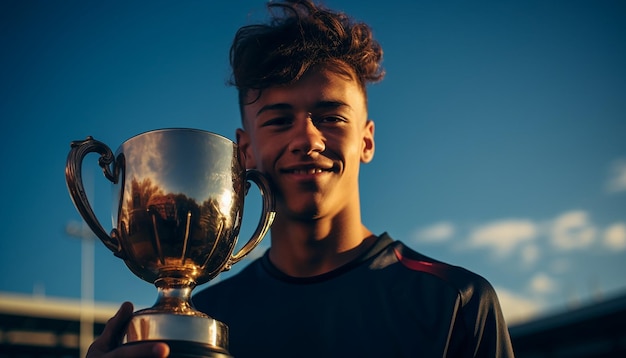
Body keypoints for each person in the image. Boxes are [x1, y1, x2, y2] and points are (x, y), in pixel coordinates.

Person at [88, 0, 515, 357]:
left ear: (366, 140)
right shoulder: (202, 322)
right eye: (278, 120)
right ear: (245, 151)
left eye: (330, 117)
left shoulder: (456, 302)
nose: (307, 138)